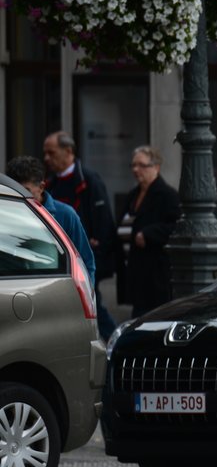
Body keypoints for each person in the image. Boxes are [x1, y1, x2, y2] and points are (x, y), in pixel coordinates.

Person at [43, 131, 116, 338]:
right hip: (63, 259)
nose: (47, 158)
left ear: (68, 152)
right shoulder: (51, 184)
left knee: (94, 306)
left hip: (86, 256)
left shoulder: (89, 180)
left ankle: (114, 342)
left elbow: (103, 221)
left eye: (51, 152)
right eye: (45, 153)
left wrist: (98, 247)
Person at [5, 155, 97, 285]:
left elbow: (86, 262)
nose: (20, 197)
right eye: (15, 191)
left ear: (42, 187)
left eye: (26, 191)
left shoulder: (65, 215)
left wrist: (85, 296)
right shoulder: (5, 214)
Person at [117, 146, 182, 318]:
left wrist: (149, 233)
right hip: (135, 273)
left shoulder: (167, 196)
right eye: (133, 165)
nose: (136, 170)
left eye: (141, 165)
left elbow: (178, 227)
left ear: (156, 167)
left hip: (155, 276)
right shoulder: (133, 195)